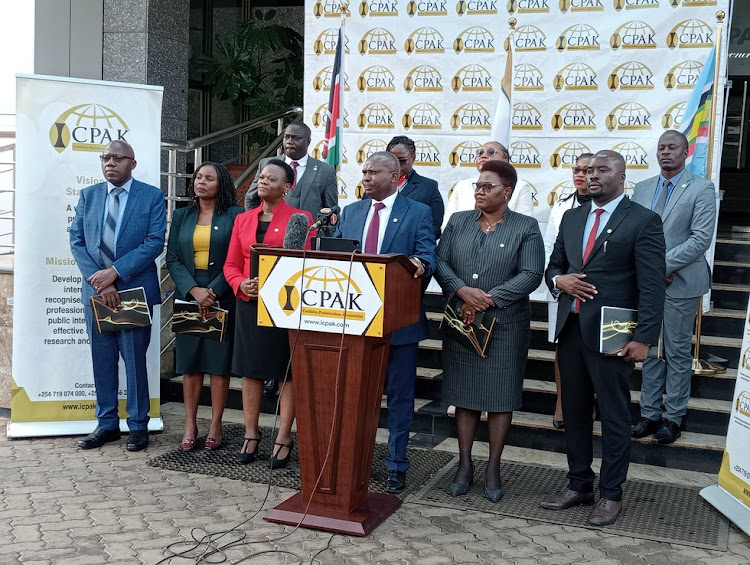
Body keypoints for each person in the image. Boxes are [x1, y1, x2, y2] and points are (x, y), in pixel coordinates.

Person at [543, 150, 665, 526]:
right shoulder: (572, 217)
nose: (592, 176)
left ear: (622, 176)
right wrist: (557, 281)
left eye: (602, 170)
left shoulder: (643, 221)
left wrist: (644, 338)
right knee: (575, 413)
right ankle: (579, 483)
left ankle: (611, 494)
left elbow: (651, 286)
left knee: (613, 417)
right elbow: (555, 267)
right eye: (589, 170)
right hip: (571, 331)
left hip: (614, 336)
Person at [435, 159, 544, 502]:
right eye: (477, 186)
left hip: (505, 326)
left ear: (507, 191)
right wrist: (461, 290)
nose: (479, 191)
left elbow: (531, 273)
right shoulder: (458, 221)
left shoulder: (525, 226)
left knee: (500, 398)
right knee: (465, 396)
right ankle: (464, 464)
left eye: (487, 187)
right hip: (462, 323)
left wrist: (487, 299)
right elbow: (440, 261)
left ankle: (494, 466)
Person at [334, 151, 436, 493]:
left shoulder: (417, 212)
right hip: (353, 322)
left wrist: (420, 263)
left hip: (398, 323)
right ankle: (351, 459)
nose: (365, 177)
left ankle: (396, 464)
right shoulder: (349, 212)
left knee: (399, 398)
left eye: (373, 172)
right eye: (363, 171)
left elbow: (427, 256)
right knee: (353, 396)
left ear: (394, 176)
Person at [70, 140, 167, 452]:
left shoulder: (151, 196)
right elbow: (76, 240)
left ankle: (138, 425)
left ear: (132, 164)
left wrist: (116, 273)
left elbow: (154, 242)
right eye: (105, 158)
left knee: (135, 359)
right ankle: (107, 424)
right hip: (98, 293)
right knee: (103, 359)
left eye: (117, 158)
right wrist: (102, 281)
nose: (110, 163)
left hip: (133, 290)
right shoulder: (90, 195)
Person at [224, 159, 313, 467]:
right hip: (249, 305)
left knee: (285, 372)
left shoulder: (300, 219)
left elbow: (304, 263)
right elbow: (231, 265)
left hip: (285, 307)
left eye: (271, 178)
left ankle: (284, 436)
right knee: (251, 370)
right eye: (261, 177)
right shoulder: (243, 220)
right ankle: (251, 435)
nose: (262, 182)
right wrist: (240, 284)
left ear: (286, 187)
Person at [631, 130, 717, 444]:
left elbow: (700, 238)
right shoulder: (641, 189)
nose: (665, 152)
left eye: (672, 148)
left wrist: (660, 266)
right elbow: (633, 234)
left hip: (681, 281)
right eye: (661, 147)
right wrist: (648, 270)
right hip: (649, 284)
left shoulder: (702, 188)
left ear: (685, 152)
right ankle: (649, 414)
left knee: (678, 352)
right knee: (650, 350)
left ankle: (673, 418)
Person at [244, 122, 337, 397]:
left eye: (296, 137)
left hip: (303, 258)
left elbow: (330, 214)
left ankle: (289, 372)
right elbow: (251, 199)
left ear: (308, 141)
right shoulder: (268, 164)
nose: (290, 141)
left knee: (291, 314)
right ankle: (270, 375)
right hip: (267, 254)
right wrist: (262, 223)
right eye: (286, 137)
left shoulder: (325, 170)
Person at [166, 162, 243, 452]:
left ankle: (216, 424)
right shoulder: (181, 215)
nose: (201, 182)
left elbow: (238, 257)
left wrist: (214, 290)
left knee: (218, 365)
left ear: (220, 184)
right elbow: (172, 258)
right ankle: (190, 424)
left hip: (221, 294)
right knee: (190, 364)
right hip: (189, 294)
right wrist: (193, 290)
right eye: (198, 177)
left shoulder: (235, 215)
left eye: (209, 178)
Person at [543, 153, 594, 429]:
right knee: (563, 349)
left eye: (587, 170)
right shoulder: (562, 207)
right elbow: (551, 251)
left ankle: (590, 402)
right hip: (563, 291)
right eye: (577, 168)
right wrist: (559, 282)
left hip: (595, 291)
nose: (581, 174)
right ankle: (562, 403)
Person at [442, 141, 535, 230]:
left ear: (505, 160)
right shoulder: (462, 185)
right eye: (480, 152)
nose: (484, 155)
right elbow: (448, 225)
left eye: (491, 152)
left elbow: (523, 225)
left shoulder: (520, 186)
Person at [385, 135, 444, 240]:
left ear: (413, 157)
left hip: (410, 252)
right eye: (392, 160)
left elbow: (435, 229)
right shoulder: (375, 186)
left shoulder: (429, 187)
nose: (397, 165)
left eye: (402, 160)